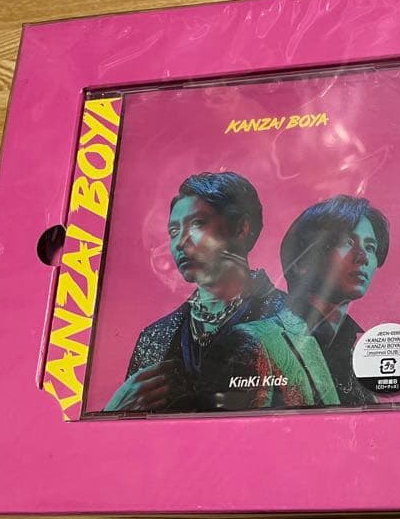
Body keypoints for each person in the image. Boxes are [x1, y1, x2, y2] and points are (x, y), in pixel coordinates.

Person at [103, 171, 327, 413]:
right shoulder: (156, 337)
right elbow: (129, 426)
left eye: (197, 223)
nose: (181, 242)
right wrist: (115, 410)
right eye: (174, 232)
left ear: (241, 229)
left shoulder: (297, 318)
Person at [275, 195, 390, 406]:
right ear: (302, 262)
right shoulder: (263, 340)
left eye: (370, 247)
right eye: (347, 242)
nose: (363, 257)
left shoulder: (355, 349)